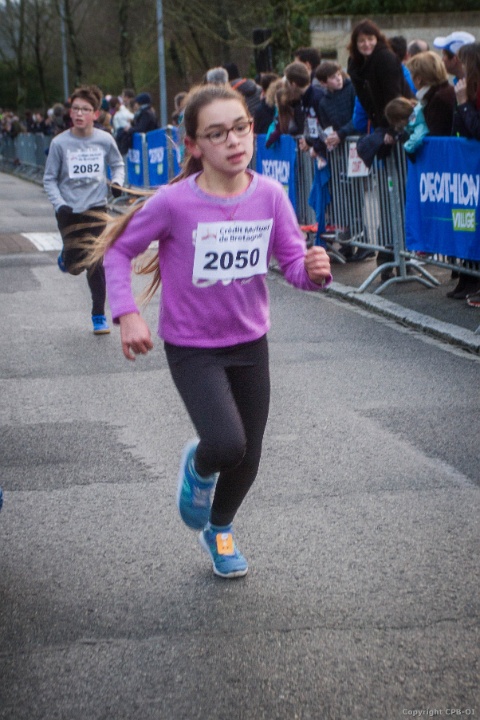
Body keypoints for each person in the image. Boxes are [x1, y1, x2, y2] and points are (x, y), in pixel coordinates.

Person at [91, 83, 332, 579]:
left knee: (249, 455)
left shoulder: (270, 195)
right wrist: (127, 312)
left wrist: (315, 273)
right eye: (217, 133)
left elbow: (293, 267)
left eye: (240, 128)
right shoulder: (174, 203)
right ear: (194, 145)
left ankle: (219, 529)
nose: (234, 141)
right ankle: (199, 468)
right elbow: (119, 249)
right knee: (224, 444)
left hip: (250, 342)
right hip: (193, 347)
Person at [43, 84, 125, 335]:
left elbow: (118, 164)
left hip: (96, 208)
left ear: (95, 114)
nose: (79, 113)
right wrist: (60, 204)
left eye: (85, 109)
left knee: (95, 262)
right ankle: (66, 257)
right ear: (70, 112)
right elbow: (49, 179)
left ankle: (98, 315)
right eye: (76, 109)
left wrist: (117, 182)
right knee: (75, 266)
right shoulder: (59, 143)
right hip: (69, 210)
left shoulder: (104, 139)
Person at [347, 18, 414, 280]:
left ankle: (402, 256)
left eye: (370, 39)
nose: (366, 44)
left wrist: (392, 130)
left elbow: (395, 96)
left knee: (400, 198)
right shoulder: (356, 65)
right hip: (380, 127)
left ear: (378, 39)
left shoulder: (385, 59)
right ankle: (388, 255)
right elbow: (366, 103)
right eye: (361, 40)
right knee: (388, 199)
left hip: (397, 124)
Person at [451, 41, 480, 305]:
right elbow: (459, 128)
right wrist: (460, 103)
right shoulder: (467, 87)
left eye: (463, 61)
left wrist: (463, 103)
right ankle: (469, 278)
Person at [407, 51, 456, 137]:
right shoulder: (445, 91)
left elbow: (436, 134)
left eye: (411, 73)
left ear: (418, 79)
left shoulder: (437, 99)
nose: (410, 77)